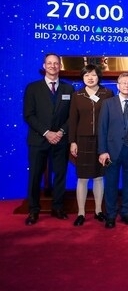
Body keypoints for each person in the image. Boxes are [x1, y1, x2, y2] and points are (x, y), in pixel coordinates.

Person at [23, 53, 74, 225]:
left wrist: (60, 132)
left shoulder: (68, 89)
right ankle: (33, 210)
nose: (53, 66)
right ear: (44, 66)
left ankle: (58, 207)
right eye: (49, 63)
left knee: (60, 174)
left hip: (61, 140)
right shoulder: (32, 88)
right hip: (38, 140)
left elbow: (72, 116)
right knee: (35, 176)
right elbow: (29, 115)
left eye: (56, 63)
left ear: (60, 66)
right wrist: (47, 132)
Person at [69, 64, 114, 226]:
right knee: (82, 177)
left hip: (101, 140)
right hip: (82, 140)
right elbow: (73, 120)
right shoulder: (77, 95)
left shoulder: (107, 93)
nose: (90, 78)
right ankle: (81, 213)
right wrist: (72, 141)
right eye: (86, 75)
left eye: (93, 75)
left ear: (98, 77)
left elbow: (111, 118)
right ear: (82, 78)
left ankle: (98, 211)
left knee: (99, 176)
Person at [98, 72, 128, 229]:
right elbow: (102, 128)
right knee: (111, 184)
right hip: (112, 151)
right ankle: (111, 215)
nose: (127, 85)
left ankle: (126, 213)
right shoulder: (108, 104)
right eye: (124, 83)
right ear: (118, 85)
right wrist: (102, 151)